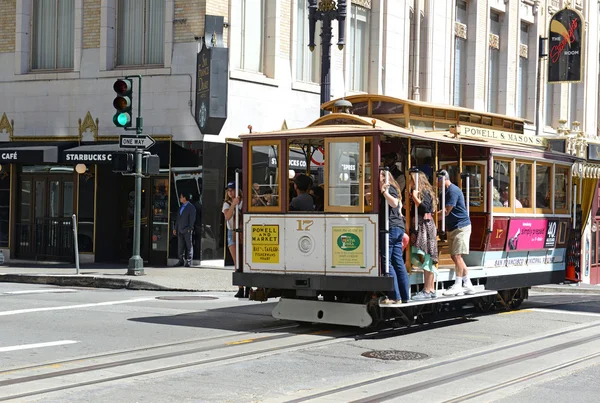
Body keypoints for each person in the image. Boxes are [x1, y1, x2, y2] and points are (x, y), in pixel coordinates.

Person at [438, 169, 475, 296]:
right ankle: (468, 284)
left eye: (437, 180)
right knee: (454, 256)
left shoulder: (453, 190)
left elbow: (446, 211)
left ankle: (458, 284)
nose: (436, 183)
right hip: (452, 227)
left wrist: (430, 218)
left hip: (461, 227)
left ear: (443, 178)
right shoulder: (443, 192)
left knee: (458, 256)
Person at [379, 170, 410, 304]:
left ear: (384, 177)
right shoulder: (395, 188)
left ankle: (394, 297)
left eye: (378, 176)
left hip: (390, 228)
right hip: (397, 228)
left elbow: (394, 203)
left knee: (388, 262)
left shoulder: (388, 188)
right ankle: (404, 296)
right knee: (398, 262)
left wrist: (383, 192)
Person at [409, 172, 439, 301]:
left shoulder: (424, 192)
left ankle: (427, 290)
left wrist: (415, 198)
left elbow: (426, 208)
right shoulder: (423, 191)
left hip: (425, 227)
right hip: (422, 226)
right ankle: (430, 289)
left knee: (427, 256)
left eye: (410, 180)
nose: (409, 183)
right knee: (426, 257)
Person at [222, 182, 246, 298]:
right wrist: (233, 204)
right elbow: (227, 217)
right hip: (232, 232)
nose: (230, 192)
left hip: (244, 232)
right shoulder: (226, 204)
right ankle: (240, 288)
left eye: (232, 190)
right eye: (229, 190)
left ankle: (248, 287)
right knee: (237, 261)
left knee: (245, 260)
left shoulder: (244, 202)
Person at [172, 192, 196, 267]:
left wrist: (189, 228)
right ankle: (180, 260)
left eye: (181, 197)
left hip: (187, 230)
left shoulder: (191, 207)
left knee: (189, 245)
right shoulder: (181, 207)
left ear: (185, 198)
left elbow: (192, 219)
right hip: (180, 230)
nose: (180, 198)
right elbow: (178, 219)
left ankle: (189, 261)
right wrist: (175, 228)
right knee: (180, 246)